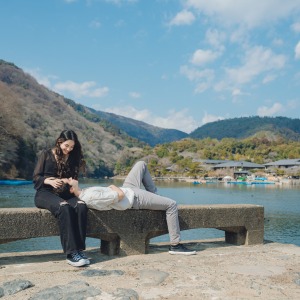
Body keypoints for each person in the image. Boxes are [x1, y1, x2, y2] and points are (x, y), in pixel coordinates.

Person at [69, 161, 196, 255]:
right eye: (68, 181)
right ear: (71, 189)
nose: (70, 178)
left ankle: (154, 197)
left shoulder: (85, 192)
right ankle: (175, 245)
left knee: (141, 164)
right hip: (134, 198)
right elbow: (119, 195)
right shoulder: (89, 197)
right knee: (172, 204)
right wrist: (112, 186)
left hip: (130, 190)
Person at [33, 130, 90, 267]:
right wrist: (49, 181)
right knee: (64, 207)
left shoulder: (72, 158)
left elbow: (73, 180)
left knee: (81, 205)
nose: (69, 149)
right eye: (66, 146)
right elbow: (36, 178)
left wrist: (68, 181)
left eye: (72, 147)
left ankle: (79, 250)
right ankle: (71, 254)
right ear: (59, 142)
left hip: (65, 193)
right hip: (45, 193)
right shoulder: (46, 154)